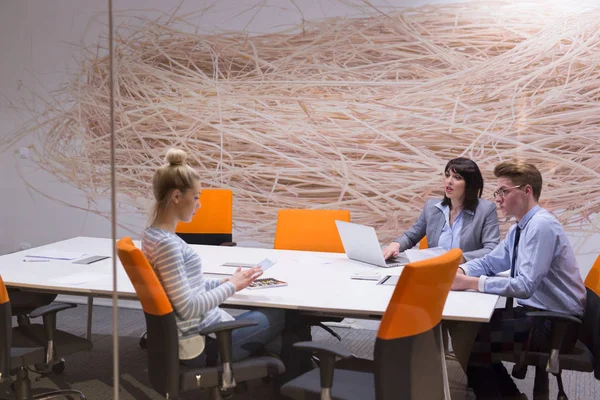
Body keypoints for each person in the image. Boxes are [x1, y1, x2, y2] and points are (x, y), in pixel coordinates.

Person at [451, 161, 586, 399]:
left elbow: (524, 286)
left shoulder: (541, 226)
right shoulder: (520, 228)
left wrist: (472, 283)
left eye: (504, 191)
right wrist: (462, 270)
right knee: (470, 333)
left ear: (527, 191)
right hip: (540, 315)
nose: (498, 199)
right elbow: (491, 262)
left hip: (556, 325)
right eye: (498, 193)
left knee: (471, 342)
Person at [141, 148, 286, 367]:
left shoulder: (153, 235)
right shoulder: (167, 245)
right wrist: (232, 288)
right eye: (196, 197)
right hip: (206, 340)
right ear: (177, 196)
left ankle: (280, 366)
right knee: (284, 315)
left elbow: (184, 288)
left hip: (198, 331)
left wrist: (224, 282)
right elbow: (187, 307)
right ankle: (294, 376)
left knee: (278, 325)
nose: (199, 204)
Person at [383, 157, 500, 262]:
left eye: (457, 177)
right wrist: (396, 244)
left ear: (470, 184)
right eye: (447, 175)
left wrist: (458, 258)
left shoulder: (485, 210)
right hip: (434, 271)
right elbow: (411, 236)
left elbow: (492, 249)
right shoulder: (432, 207)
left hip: (466, 272)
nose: (449, 181)